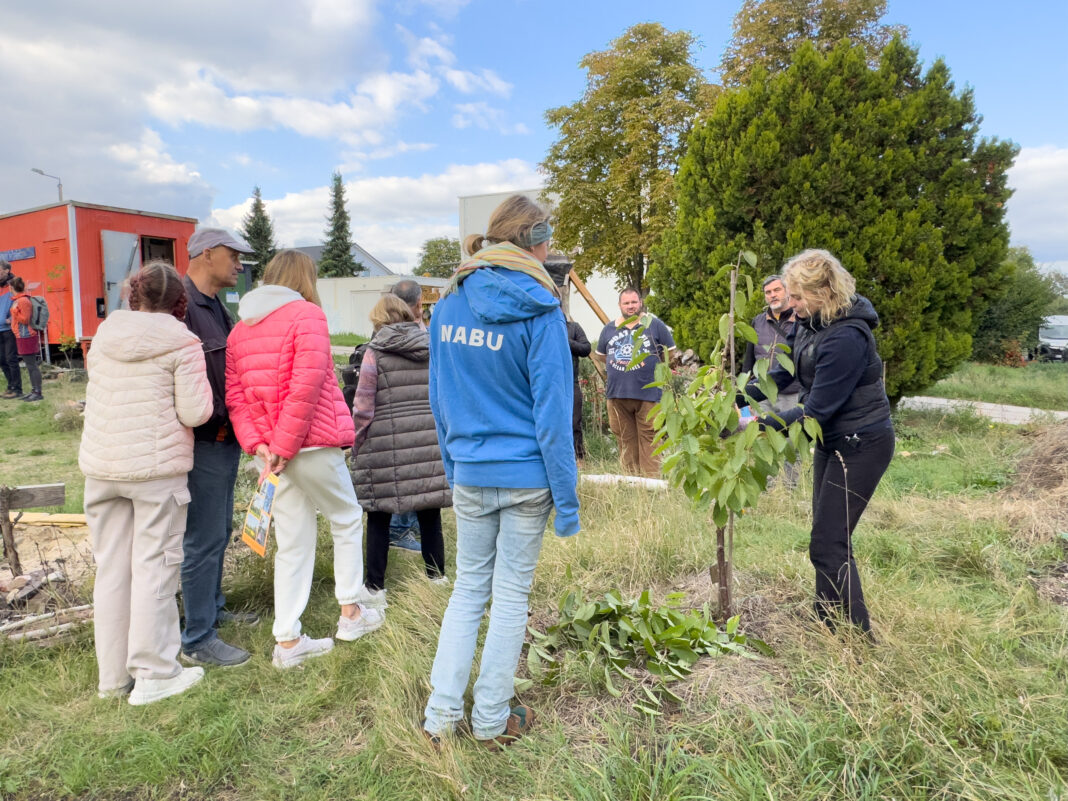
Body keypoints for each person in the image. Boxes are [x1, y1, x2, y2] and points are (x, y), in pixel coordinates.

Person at [423, 194, 579, 750]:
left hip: (470, 469)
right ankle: (491, 721)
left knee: (467, 591)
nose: (552, 247)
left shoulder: (448, 304)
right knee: (510, 597)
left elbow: (439, 400)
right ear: (536, 240)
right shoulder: (541, 307)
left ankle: (439, 719)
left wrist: (454, 466)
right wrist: (568, 501)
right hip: (527, 477)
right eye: (550, 238)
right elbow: (554, 416)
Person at [226, 249, 383, 668]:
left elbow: (236, 396)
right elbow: (307, 383)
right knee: (346, 517)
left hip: (270, 455)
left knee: (292, 542)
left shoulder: (240, 329)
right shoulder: (306, 315)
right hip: (307, 444)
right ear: (303, 278)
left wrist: (261, 446)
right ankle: (351, 613)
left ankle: (288, 641)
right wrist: (284, 444)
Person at [79, 261, 213, 704]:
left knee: (112, 571)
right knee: (156, 567)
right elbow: (195, 413)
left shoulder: (103, 337)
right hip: (156, 471)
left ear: (131, 295)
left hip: (101, 468)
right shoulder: (183, 342)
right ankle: (155, 674)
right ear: (180, 301)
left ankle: (112, 678)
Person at [745, 249, 893, 637]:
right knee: (826, 536)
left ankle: (858, 640)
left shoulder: (847, 336)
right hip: (834, 441)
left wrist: (756, 427)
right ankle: (827, 622)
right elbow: (782, 373)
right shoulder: (814, 324)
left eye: (797, 297)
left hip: (862, 442)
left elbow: (816, 411)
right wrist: (738, 398)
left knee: (829, 543)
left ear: (825, 291)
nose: (790, 305)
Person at [179, 228, 257, 668]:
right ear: (206, 254)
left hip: (225, 442)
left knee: (217, 532)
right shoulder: (183, 307)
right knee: (203, 539)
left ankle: (213, 611)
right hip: (202, 444)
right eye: (233, 255)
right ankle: (197, 637)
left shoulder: (216, 309)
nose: (240, 265)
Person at [350, 294, 451, 606]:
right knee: (429, 510)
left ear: (380, 320)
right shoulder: (432, 345)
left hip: (384, 444)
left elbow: (364, 404)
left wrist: (356, 441)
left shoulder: (375, 352)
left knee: (379, 515)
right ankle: (437, 577)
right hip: (427, 439)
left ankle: (375, 587)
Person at [594, 289, 675, 477]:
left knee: (651, 438)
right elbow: (601, 356)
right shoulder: (609, 329)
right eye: (626, 303)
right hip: (617, 395)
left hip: (648, 393)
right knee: (625, 439)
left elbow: (669, 352)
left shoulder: (654, 325)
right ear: (619, 305)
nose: (630, 306)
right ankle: (630, 483)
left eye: (634, 302)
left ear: (640, 303)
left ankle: (652, 484)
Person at [742, 273, 801, 486]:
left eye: (777, 290)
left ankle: (790, 487)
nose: (772, 295)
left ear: (787, 291)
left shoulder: (800, 319)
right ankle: (767, 487)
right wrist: (744, 394)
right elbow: (748, 361)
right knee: (763, 440)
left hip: (791, 393)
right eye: (768, 292)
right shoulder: (757, 322)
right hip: (762, 394)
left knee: (790, 442)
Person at [385, 279, 429, 553]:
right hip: (413, 413)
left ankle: (403, 528)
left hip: (392, 416)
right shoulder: (416, 335)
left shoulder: (382, 331)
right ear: (419, 304)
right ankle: (400, 530)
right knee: (410, 473)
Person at [7, 276, 43, 402]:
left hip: (27, 335)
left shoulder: (22, 301)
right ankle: (34, 390)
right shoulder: (19, 300)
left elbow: (25, 320)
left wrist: (15, 312)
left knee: (31, 365)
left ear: (12, 287)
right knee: (29, 365)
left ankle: (37, 392)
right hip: (22, 336)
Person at [566, 319, 591, 462]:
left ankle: (579, 459)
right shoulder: (539, 326)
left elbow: (586, 349)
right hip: (547, 384)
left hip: (571, 383)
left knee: (574, 423)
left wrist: (567, 342)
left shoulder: (573, 327)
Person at [0, 260, 22, 399]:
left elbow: (22, 301)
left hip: (9, 329)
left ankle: (17, 389)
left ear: (7, 270)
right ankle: (10, 386)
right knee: (1, 360)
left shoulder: (14, 284)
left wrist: (13, 318)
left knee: (11, 358)